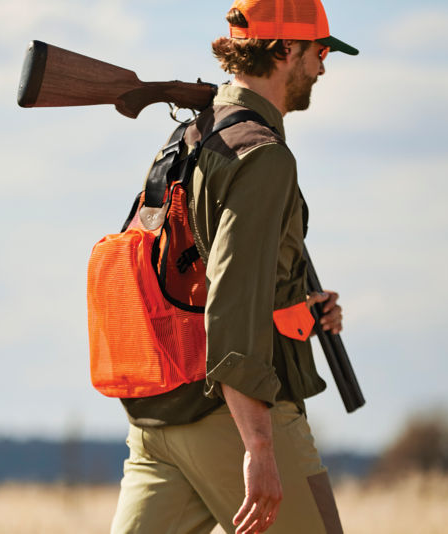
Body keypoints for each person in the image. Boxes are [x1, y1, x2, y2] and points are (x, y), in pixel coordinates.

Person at [110, 1, 358, 533]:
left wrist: (301, 310)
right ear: (287, 49)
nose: (322, 67)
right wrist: (260, 444)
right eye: (319, 51)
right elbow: (232, 294)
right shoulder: (263, 154)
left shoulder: (193, 133)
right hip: (229, 416)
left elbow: (199, 268)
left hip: (160, 415)